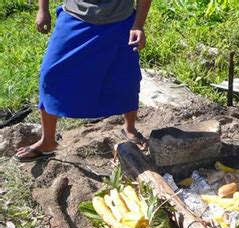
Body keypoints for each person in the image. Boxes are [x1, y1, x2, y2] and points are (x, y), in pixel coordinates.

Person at [14, 0, 151, 162]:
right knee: (50, 73)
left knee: (124, 76)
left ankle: (130, 128)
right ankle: (47, 141)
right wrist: (42, 9)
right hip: (75, 16)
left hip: (120, 21)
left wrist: (138, 25)